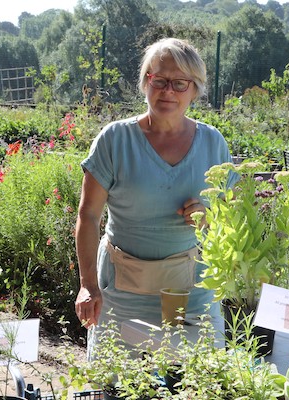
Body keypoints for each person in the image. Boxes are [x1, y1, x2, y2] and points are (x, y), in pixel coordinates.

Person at [74, 38, 237, 357]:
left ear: (195, 89)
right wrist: (87, 285)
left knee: (193, 380)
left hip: (189, 293)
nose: (168, 91)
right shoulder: (115, 140)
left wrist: (210, 214)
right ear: (145, 80)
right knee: (118, 381)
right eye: (158, 80)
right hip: (122, 291)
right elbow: (88, 216)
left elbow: (230, 216)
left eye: (180, 83)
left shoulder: (212, 144)